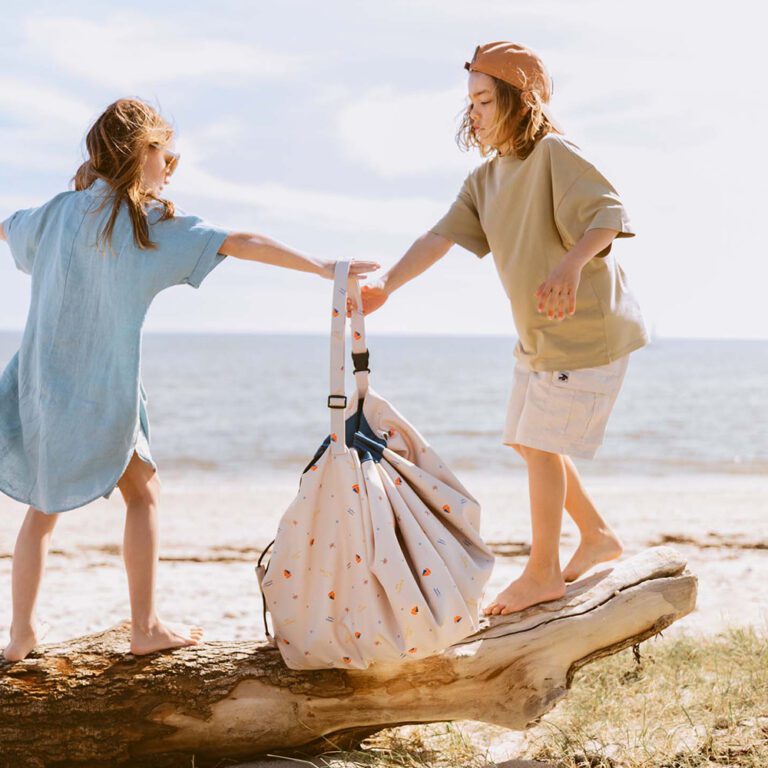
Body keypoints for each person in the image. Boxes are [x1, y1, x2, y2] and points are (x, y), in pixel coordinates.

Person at [0, 98, 378, 661]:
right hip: (103, 392)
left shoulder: (55, 212)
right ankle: (146, 627)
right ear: (139, 153)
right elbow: (241, 241)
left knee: (42, 509)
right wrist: (325, 268)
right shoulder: (145, 224)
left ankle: (20, 635)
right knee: (144, 494)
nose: (169, 168)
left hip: (40, 388)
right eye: (165, 155)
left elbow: (7, 228)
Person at [360, 42, 648, 615]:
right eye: (470, 102)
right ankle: (597, 536)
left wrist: (571, 265)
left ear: (521, 102)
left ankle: (543, 572)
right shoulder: (485, 180)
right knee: (524, 438)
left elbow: (608, 214)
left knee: (540, 445)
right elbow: (439, 237)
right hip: (541, 338)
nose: (474, 113)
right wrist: (388, 283)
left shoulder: (554, 154)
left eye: (485, 100)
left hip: (586, 334)